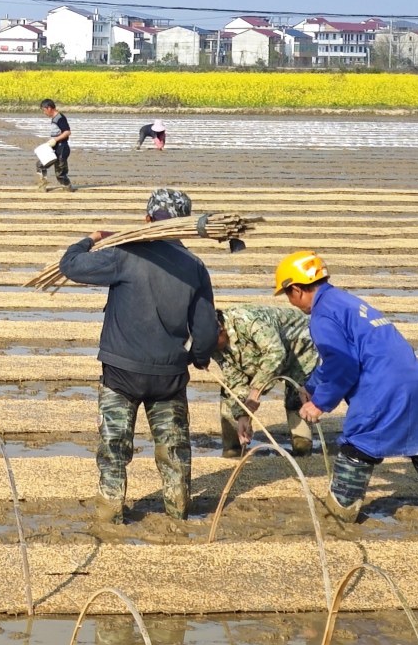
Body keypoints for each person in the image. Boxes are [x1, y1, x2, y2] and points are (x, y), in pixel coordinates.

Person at [58, 187, 218, 523]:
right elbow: (204, 332)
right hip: (169, 378)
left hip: (121, 373)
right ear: (186, 224)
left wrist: (90, 239)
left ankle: (110, 513)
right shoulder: (195, 267)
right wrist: (198, 358)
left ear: (147, 219)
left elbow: (70, 266)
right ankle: (178, 513)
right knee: (174, 452)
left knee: (114, 449)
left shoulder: (125, 254)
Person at [274, 250, 418, 522]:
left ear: (296, 289)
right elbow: (339, 358)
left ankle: (340, 518)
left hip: (383, 387)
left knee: (357, 449)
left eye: (287, 294)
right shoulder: (344, 301)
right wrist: (312, 385)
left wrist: (319, 404)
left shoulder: (322, 315)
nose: (290, 302)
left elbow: (343, 364)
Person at [214, 303, 318, 458]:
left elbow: (275, 353)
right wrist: (243, 414)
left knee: (296, 397)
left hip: (300, 348)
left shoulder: (247, 321)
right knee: (230, 396)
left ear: (220, 330)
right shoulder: (213, 345)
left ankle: (302, 450)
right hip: (260, 356)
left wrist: (255, 392)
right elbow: (234, 379)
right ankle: (233, 450)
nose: (213, 351)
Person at [36, 99, 74, 191]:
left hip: (62, 148)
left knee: (60, 173)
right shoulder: (54, 118)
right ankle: (42, 186)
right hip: (54, 147)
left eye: (44, 110)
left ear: (49, 108)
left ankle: (67, 188)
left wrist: (55, 140)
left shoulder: (60, 118)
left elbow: (67, 132)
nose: (44, 113)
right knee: (40, 165)